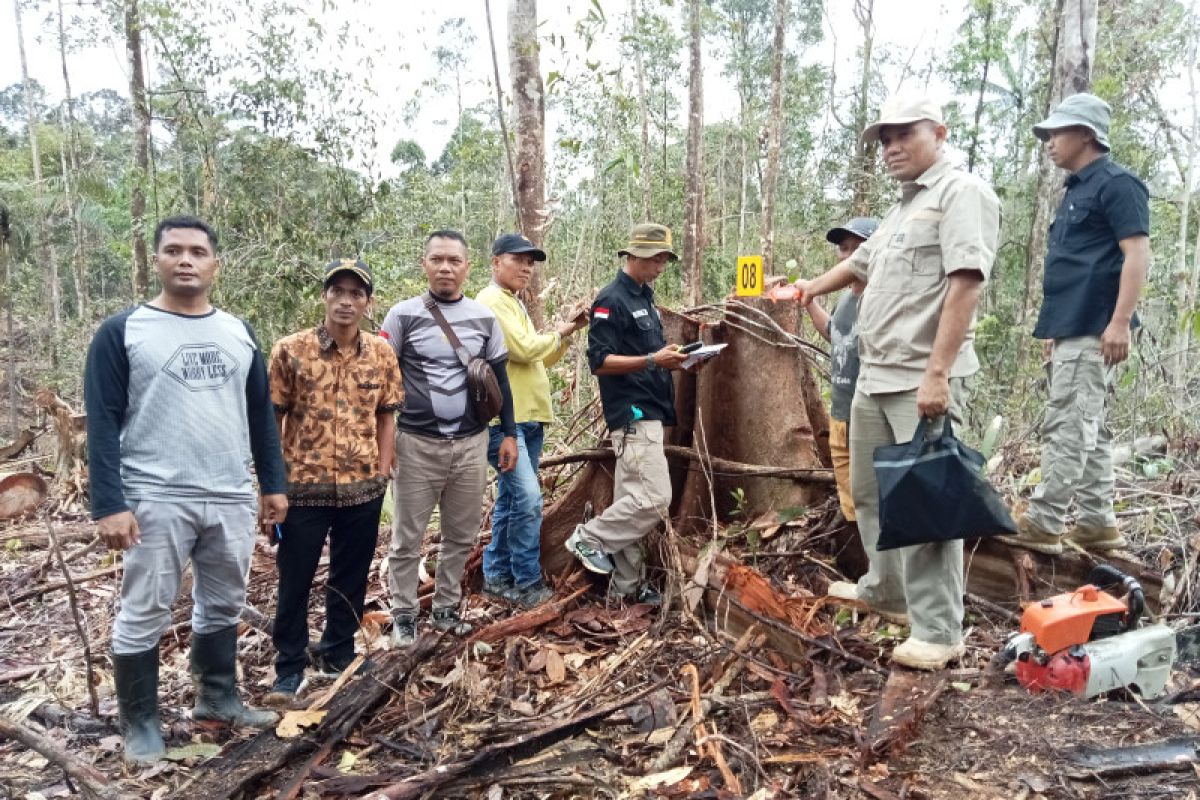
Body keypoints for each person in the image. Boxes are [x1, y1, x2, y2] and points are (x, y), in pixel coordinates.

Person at [796, 97, 1001, 670]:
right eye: (883, 140)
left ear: (938, 132)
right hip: (874, 375)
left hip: (920, 379)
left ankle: (939, 629)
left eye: (901, 136)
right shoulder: (902, 208)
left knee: (928, 505)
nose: (889, 148)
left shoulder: (963, 195)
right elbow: (861, 268)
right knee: (870, 493)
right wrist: (808, 288)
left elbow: (965, 285)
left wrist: (937, 374)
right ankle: (884, 590)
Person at [85, 215, 287, 765]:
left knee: (223, 600)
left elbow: (259, 415)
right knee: (145, 606)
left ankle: (217, 699)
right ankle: (142, 722)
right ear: (157, 260)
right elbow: (101, 421)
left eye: (197, 251)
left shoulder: (237, 332)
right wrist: (109, 503)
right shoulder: (123, 331)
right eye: (173, 250)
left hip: (227, 492)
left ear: (214, 263)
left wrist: (273, 483)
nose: (186, 260)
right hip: (155, 495)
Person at [997, 93, 1151, 556]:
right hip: (1074, 326)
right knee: (1090, 425)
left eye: (1056, 133)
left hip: (1098, 326)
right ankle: (1097, 523)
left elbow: (1136, 254)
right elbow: (1073, 265)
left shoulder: (1118, 185)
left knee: (1068, 422)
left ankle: (1044, 521)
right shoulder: (1075, 189)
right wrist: (1056, 332)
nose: (1048, 142)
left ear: (1086, 134)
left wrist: (1120, 321)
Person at [264, 259, 403, 703]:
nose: (346, 301)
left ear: (368, 301)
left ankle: (338, 652)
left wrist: (382, 471)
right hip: (303, 487)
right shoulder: (291, 351)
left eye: (356, 293)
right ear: (325, 296)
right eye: (338, 291)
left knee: (351, 576)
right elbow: (272, 419)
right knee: (296, 577)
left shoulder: (380, 353)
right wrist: (271, 486)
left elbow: (387, 415)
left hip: (362, 487)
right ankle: (288, 666)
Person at [380, 230, 518, 645]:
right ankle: (404, 613)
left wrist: (508, 432)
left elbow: (499, 379)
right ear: (424, 264)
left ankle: (444, 608)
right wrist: (382, 444)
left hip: (471, 442)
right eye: (437, 259)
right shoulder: (401, 316)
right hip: (416, 443)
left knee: (461, 534)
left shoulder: (483, 317)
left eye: (454, 261)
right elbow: (383, 382)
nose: (445, 267)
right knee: (407, 536)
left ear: (467, 268)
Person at [564, 223, 691, 604]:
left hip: (650, 410)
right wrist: (653, 358)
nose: (660, 266)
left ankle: (626, 588)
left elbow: (647, 358)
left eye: (665, 259)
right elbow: (600, 361)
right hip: (633, 414)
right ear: (633, 256)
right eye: (655, 259)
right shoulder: (612, 299)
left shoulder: (644, 297)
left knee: (631, 500)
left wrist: (674, 361)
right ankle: (587, 538)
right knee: (654, 499)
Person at [476, 234, 588, 609]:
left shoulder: (513, 303)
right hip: (505, 423)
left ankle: (497, 577)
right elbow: (523, 349)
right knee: (527, 499)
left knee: (512, 500)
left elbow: (539, 359)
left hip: (529, 418)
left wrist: (566, 334)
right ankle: (525, 582)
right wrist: (562, 330)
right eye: (518, 259)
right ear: (495, 262)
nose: (527, 268)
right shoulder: (491, 301)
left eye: (531, 262)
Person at [802, 217, 878, 531]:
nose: (847, 256)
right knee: (851, 501)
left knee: (873, 501)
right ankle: (865, 564)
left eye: (855, 248)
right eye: (843, 249)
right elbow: (835, 334)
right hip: (840, 415)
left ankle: (884, 572)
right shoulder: (846, 299)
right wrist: (809, 301)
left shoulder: (883, 299)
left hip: (869, 416)